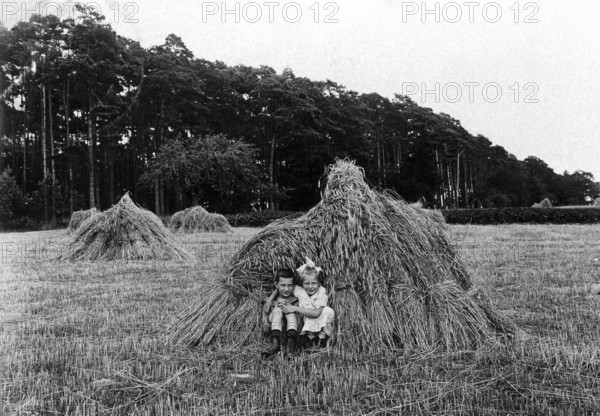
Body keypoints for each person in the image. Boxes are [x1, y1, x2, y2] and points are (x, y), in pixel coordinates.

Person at [282, 257, 335, 348]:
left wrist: (294, 308)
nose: (310, 287)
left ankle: (321, 339)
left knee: (327, 310)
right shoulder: (299, 291)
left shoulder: (322, 293)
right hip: (304, 323)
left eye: (314, 283)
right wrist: (271, 299)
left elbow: (316, 314)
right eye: (307, 283)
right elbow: (283, 287)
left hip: (319, 322)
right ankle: (306, 339)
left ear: (319, 283)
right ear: (302, 284)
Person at [262, 268, 299, 357]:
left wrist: (290, 307)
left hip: (292, 331)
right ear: (276, 285)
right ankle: (275, 345)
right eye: (283, 285)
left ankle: (290, 348)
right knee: (278, 309)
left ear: (294, 285)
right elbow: (265, 330)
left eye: (289, 285)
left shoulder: (296, 300)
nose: (286, 289)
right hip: (275, 326)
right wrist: (273, 306)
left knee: (290, 312)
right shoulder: (270, 302)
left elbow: (301, 324)